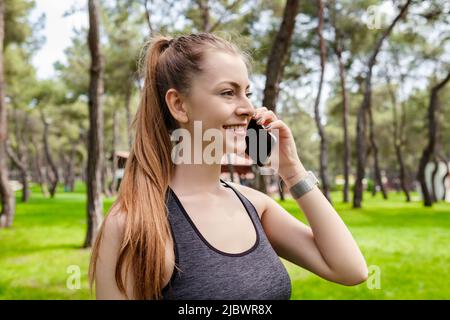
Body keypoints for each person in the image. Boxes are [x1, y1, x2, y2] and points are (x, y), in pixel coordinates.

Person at [89, 33, 368, 300]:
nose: (247, 107)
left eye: (247, 92)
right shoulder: (134, 225)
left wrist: (292, 170)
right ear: (179, 105)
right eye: (228, 93)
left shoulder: (255, 205)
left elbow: (349, 269)